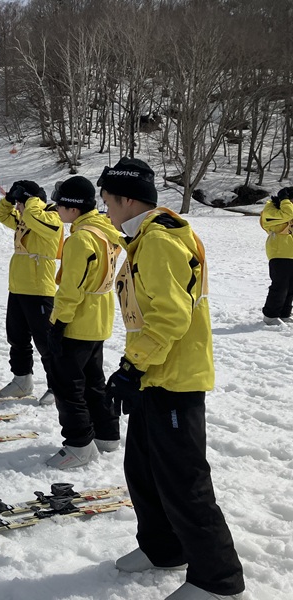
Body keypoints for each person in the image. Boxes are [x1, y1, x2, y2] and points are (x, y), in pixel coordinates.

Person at [101, 158, 244, 600]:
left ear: (127, 200)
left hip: (175, 379)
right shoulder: (142, 239)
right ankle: (164, 548)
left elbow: (170, 317)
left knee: (184, 480)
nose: (105, 211)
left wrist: (133, 367)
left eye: (108, 202)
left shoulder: (159, 242)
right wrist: (134, 369)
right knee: (143, 469)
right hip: (154, 374)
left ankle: (218, 581)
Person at [44, 176, 122, 469]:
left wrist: (58, 323)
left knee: (67, 385)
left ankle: (79, 444)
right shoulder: (105, 230)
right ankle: (106, 434)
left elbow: (70, 289)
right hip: (99, 319)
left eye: (60, 206)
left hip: (78, 321)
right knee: (93, 381)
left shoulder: (80, 239)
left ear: (73, 209)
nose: (57, 210)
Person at [0, 180, 63, 404]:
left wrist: (31, 199)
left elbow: (35, 217)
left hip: (39, 289)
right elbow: (3, 216)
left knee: (45, 342)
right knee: (17, 338)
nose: (17, 208)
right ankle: (22, 380)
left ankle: (57, 386)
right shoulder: (26, 218)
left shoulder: (51, 217)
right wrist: (9, 199)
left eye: (19, 203)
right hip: (18, 288)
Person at [260, 186, 293, 325]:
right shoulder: (270, 209)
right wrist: (285, 199)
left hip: (291, 252)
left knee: (290, 286)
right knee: (280, 285)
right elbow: (288, 214)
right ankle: (270, 315)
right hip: (279, 252)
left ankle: (284, 313)